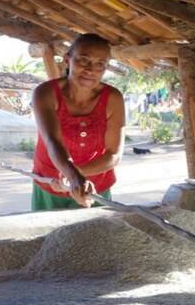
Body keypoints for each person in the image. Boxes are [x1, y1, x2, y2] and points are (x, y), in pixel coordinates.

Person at [31, 33, 125, 210]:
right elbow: (53, 142)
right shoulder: (45, 93)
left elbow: (114, 154)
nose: (91, 70)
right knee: (47, 235)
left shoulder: (113, 98)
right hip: (51, 183)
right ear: (68, 59)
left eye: (100, 64)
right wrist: (73, 177)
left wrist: (75, 176)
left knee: (95, 235)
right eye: (84, 60)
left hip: (95, 185)